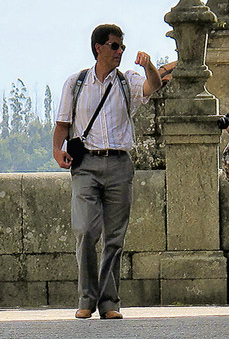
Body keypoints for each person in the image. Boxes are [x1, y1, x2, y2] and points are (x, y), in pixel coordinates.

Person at [51, 23, 161, 321]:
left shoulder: (129, 82)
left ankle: (109, 303)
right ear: (98, 47)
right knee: (85, 231)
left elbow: (155, 86)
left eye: (122, 46)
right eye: (114, 46)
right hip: (86, 164)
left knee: (115, 237)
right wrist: (57, 150)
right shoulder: (76, 83)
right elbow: (62, 124)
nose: (120, 51)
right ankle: (86, 298)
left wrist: (149, 65)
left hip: (119, 163)